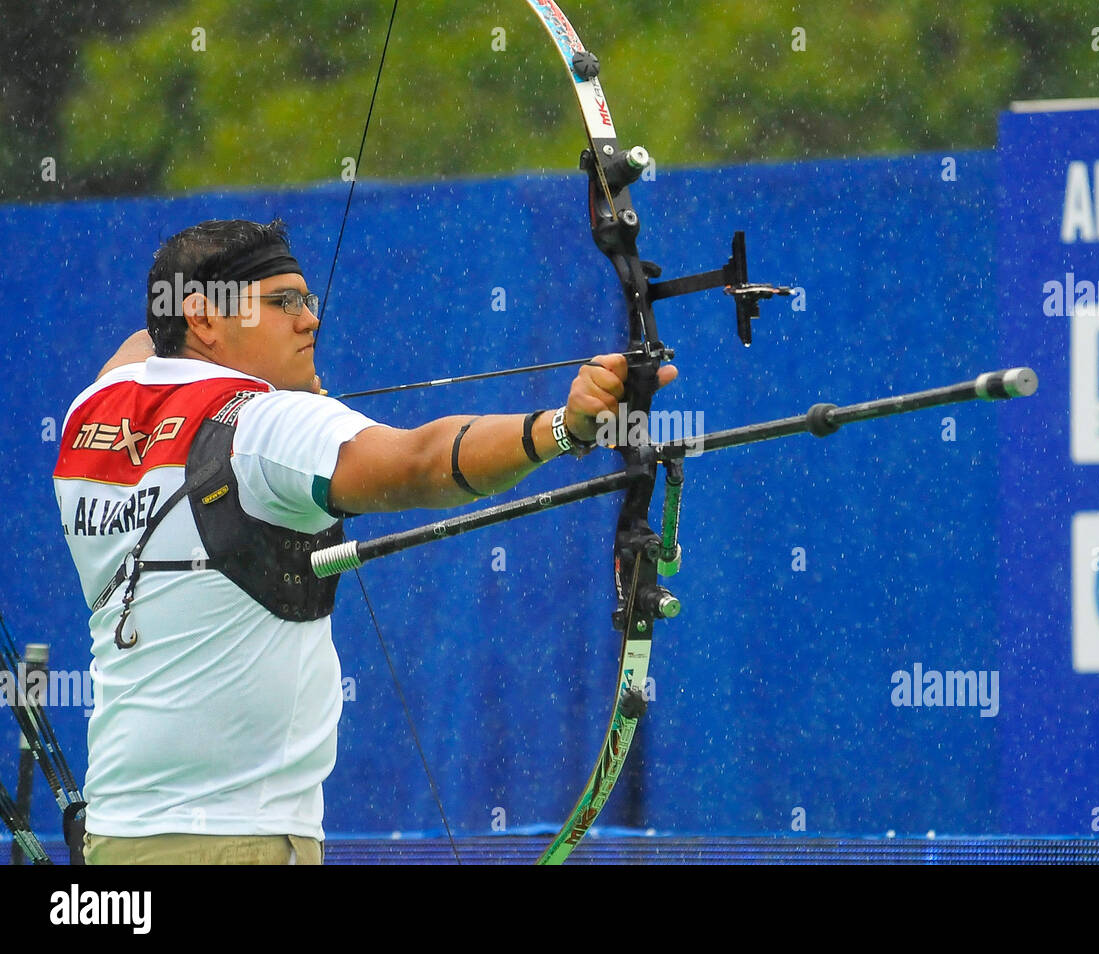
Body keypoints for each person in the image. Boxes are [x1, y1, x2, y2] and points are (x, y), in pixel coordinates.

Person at [52, 218, 675, 864]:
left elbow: (146, 343)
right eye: (283, 302)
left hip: (117, 837)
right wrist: (562, 427)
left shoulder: (94, 411)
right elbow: (420, 462)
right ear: (205, 319)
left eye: (307, 300)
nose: (309, 320)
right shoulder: (267, 426)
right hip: (236, 843)